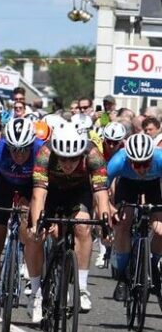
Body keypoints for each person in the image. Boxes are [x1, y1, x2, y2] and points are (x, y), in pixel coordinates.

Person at [28, 122, 111, 313]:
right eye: (63, 159)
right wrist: (37, 223)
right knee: (37, 232)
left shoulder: (93, 155)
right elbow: (38, 195)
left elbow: (101, 194)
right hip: (52, 192)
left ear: (81, 154)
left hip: (78, 193)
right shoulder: (45, 153)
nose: (67, 164)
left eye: (73, 159)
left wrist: (106, 224)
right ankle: (36, 290)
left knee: (83, 226)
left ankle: (81, 289)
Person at [0, 117, 45, 328]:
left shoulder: (41, 151)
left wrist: (34, 218)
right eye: (14, 149)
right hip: (4, 185)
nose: (19, 154)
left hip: (32, 188)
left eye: (24, 150)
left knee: (30, 236)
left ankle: (35, 293)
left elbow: (42, 191)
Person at [106, 132, 162, 301]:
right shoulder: (118, 161)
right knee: (123, 224)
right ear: (129, 160)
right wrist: (110, 209)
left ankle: (153, 266)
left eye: (146, 163)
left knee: (160, 230)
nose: (142, 169)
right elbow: (100, 190)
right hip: (127, 186)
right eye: (137, 165)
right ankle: (122, 278)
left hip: (153, 186)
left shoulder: (160, 158)